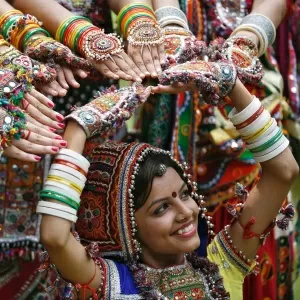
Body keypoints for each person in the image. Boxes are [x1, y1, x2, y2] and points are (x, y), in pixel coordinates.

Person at [36, 58, 299, 298]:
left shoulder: (220, 267)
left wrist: (228, 83)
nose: (185, 211)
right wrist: (79, 127)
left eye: (185, 194)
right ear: (128, 227)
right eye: (161, 207)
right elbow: (56, 238)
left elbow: (284, 171)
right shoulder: (112, 284)